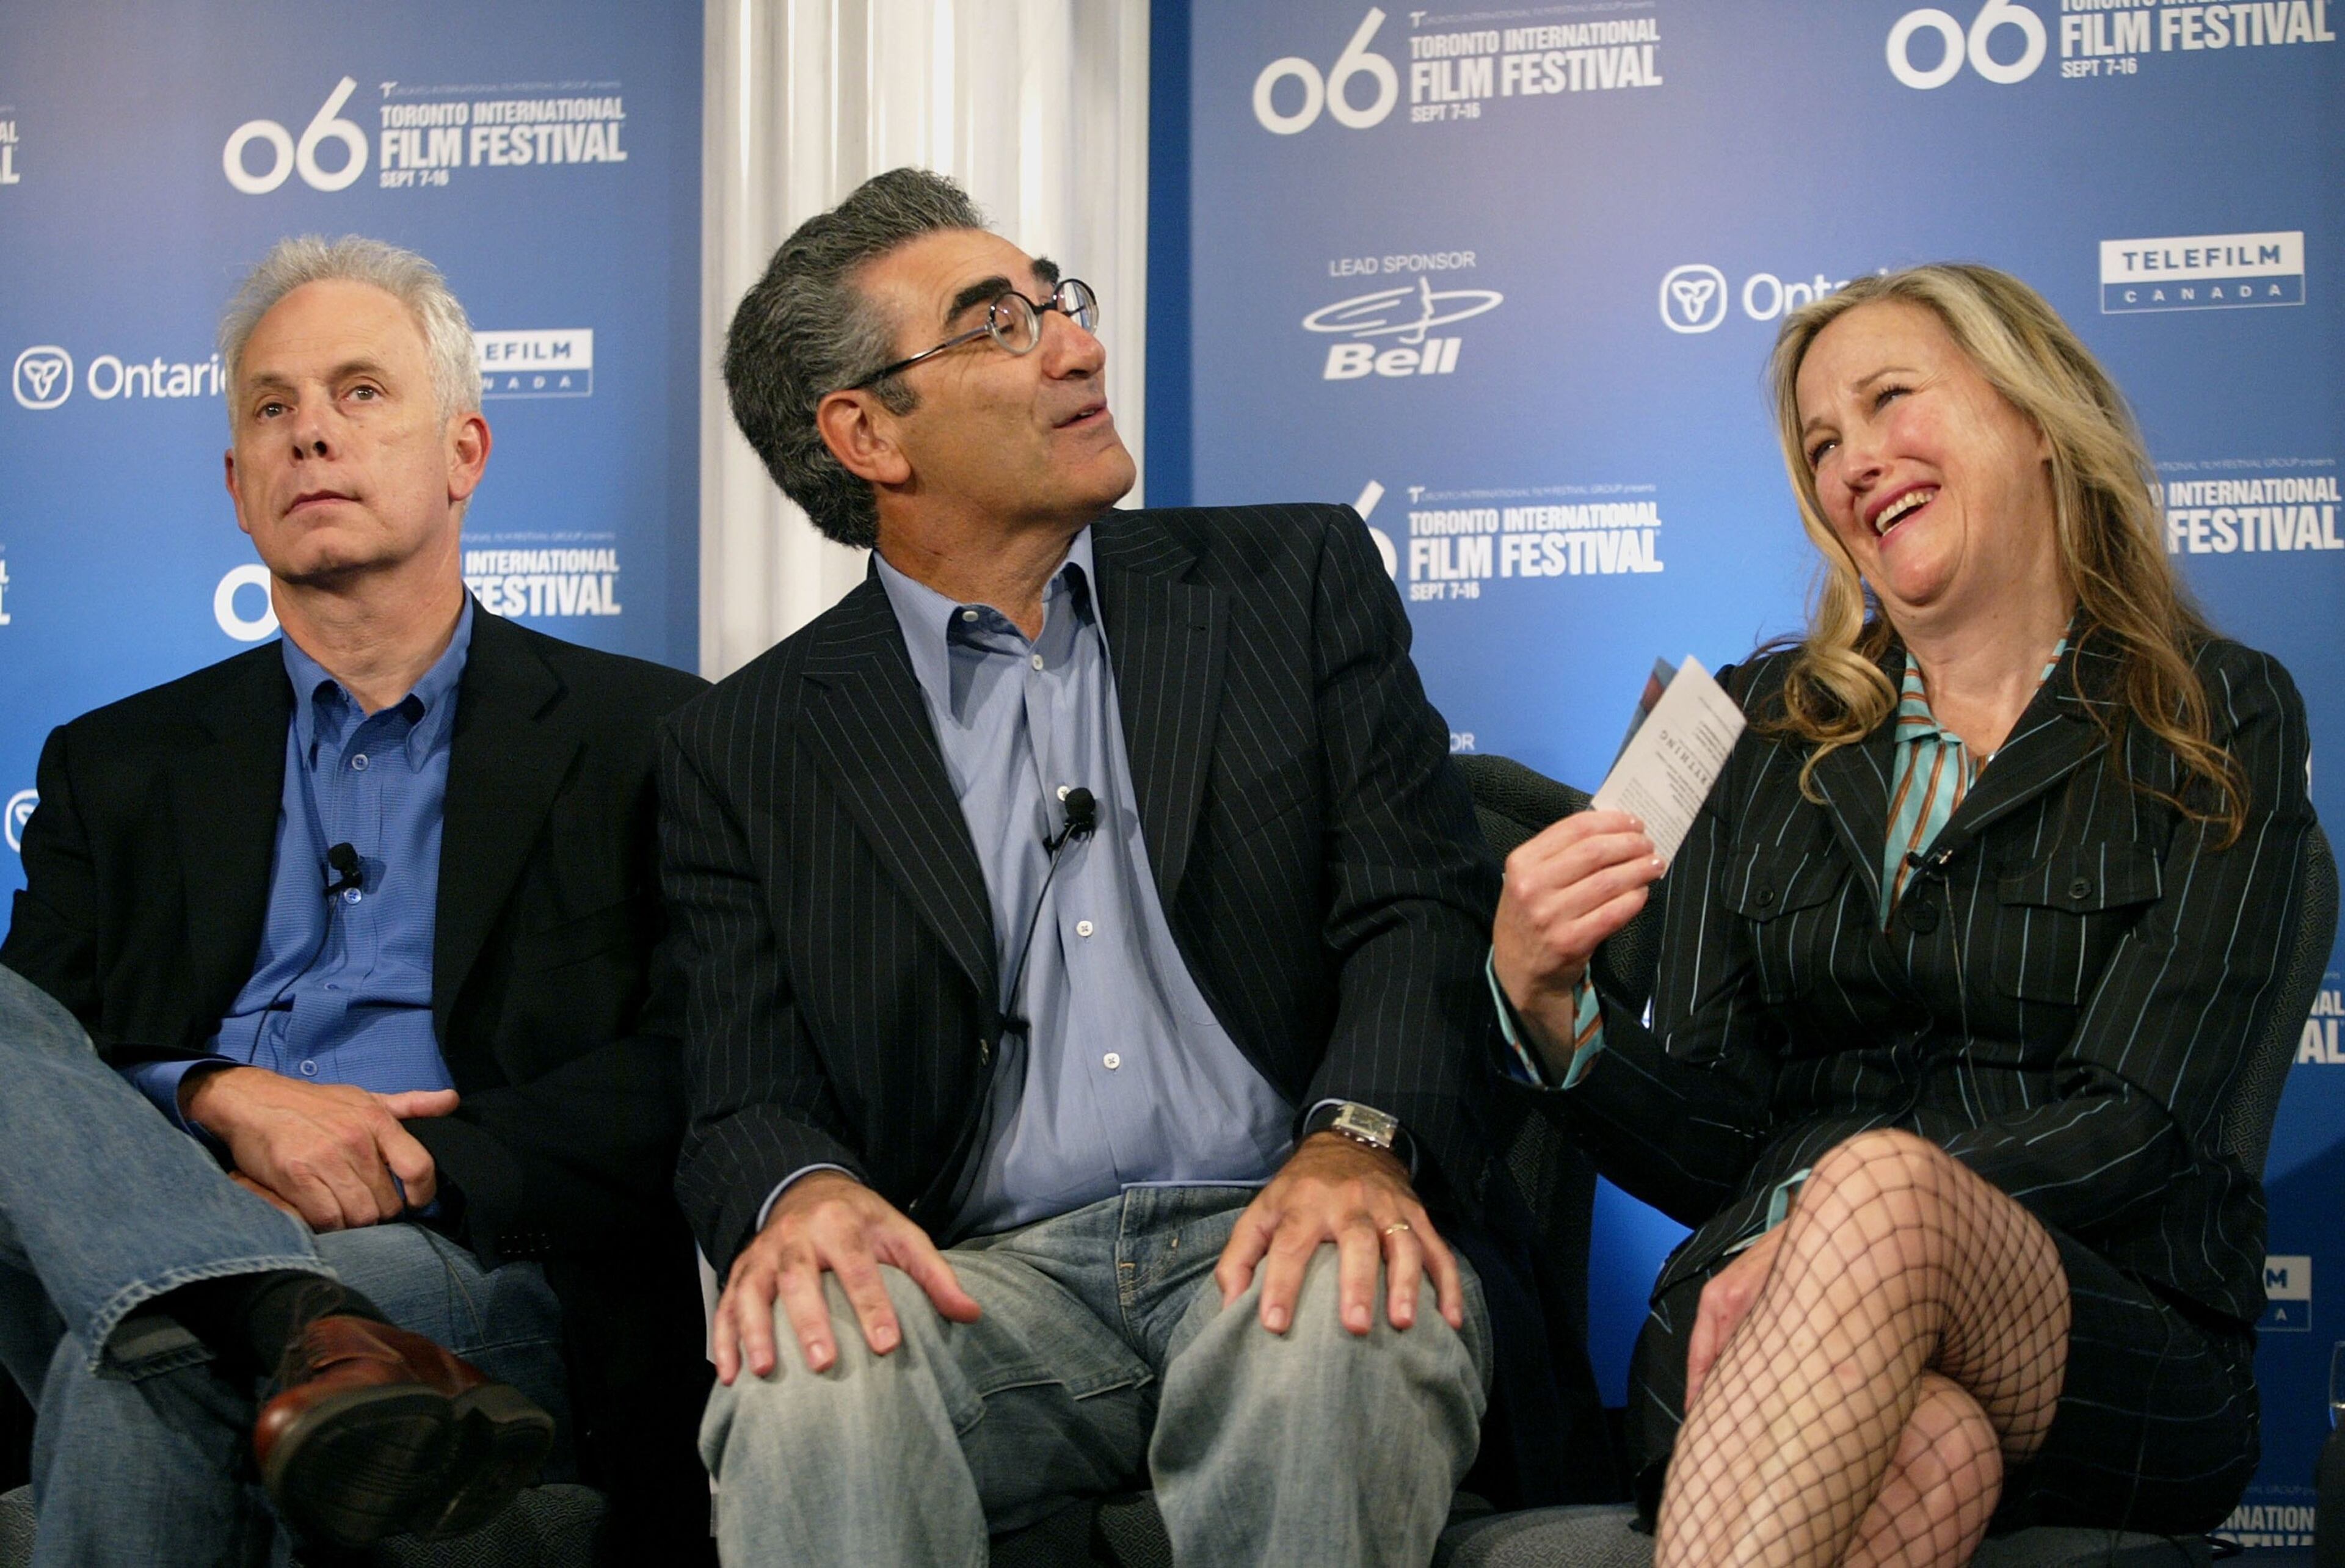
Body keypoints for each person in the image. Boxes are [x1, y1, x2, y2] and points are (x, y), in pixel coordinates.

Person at [663, 167, 1500, 1566]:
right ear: (867, 431)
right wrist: (801, 1193)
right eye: (997, 324)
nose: (1076, 343)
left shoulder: (1289, 582)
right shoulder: (742, 747)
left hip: (1280, 1219)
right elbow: (738, 1094)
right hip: (991, 1288)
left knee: (1338, 1313)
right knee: (802, 1371)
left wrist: (1360, 1142)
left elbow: (1419, 907)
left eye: (1059, 300)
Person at [1489, 263, 2315, 1566]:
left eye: (1889, 403)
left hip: (2107, 1338)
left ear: (2035, 416)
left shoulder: (2214, 713)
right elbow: (1716, 1134)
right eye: (1823, 444)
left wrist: (1856, 1216)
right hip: (1762, 1326)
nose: (1855, 463)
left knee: (1880, 1187)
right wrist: (1551, 1009)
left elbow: (2152, 1123)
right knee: (1930, 1446)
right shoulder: (1764, 730)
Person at [0, 234, 710, 1563]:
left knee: (144, 1359)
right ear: (236, 483)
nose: (310, 435)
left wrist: (416, 1156)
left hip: (461, 1250)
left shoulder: (652, 737)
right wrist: (215, 1092)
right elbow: (36, 1049)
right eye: (273, 409)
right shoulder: (117, 761)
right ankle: (270, 1317)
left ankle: (246, 1312)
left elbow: (697, 1062)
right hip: (163, 1196)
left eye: (360, 394)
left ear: (466, 453)